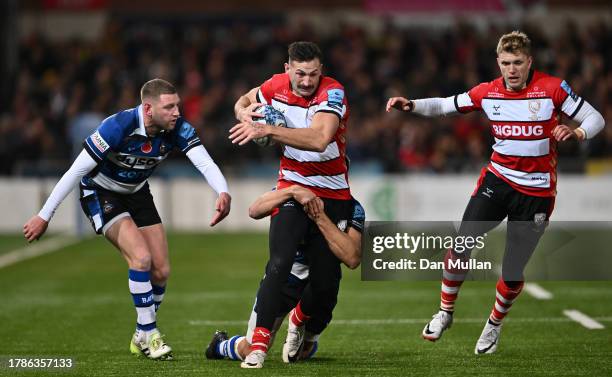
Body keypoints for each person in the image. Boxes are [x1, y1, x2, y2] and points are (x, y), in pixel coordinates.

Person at [386, 31, 605, 354]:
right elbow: (447, 105)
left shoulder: (553, 89)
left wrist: (578, 132)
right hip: (497, 182)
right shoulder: (488, 92)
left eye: (518, 63)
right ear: (498, 63)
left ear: (529, 62)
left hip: (537, 194)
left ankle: (493, 325)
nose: (512, 69)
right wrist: (412, 105)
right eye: (506, 63)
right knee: (462, 245)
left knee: (513, 270)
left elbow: (595, 117)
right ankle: (445, 312)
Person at [23, 78, 231, 360]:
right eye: (169, 107)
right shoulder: (117, 127)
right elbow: (74, 171)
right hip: (100, 192)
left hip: (137, 193)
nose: (176, 112)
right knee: (141, 258)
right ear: (148, 109)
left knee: (161, 272)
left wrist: (223, 191)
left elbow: (204, 162)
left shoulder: (177, 128)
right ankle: (151, 335)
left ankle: (140, 335)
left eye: (177, 105)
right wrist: (44, 215)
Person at [229, 41, 353, 368]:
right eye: (300, 73)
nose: (307, 80)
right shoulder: (274, 85)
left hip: (332, 193)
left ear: (321, 71)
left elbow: (319, 138)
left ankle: (299, 322)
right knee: (280, 262)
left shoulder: (333, 93)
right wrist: (244, 113)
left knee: (326, 283)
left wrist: (268, 129)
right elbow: (244, 100)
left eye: (313, 74)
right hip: (291, 186)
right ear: (288, 69)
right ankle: (257, 346)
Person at [204, 185, 364, 363]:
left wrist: (320, 217)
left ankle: (300, 324)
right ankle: (220, 345)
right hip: (287, 280)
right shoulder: (290, 190)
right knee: (249, 349)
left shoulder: (353, 208)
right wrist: (291, 192)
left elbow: (353, 258)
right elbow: (254, 209)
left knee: (303, 353)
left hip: (322, 284)